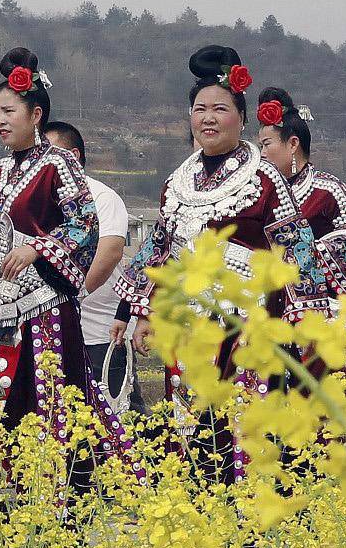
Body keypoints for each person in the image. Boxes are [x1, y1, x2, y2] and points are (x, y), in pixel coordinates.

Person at [112, 45, 314, 481]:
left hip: (249, 319)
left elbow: (296, 249)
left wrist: (305, 319)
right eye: (199, 108)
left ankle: (254, 512)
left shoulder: (264, 178)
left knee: (246, 415)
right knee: (191, 418)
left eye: (220, 108)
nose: (208, 118)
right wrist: (139, 310)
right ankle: (204, 508)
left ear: (241, 118)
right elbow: (159, 250)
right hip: (189, 321)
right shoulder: (176, 183)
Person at [0, 50, 129, 477]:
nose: (0, 121)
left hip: (45, 305)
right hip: (1, 305)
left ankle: (60, 499)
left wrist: (38, 249)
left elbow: (85, 224)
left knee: (50, 402)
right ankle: (1, 500)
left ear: (36, 115)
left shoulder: (59, 163)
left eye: (9, 111)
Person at [253, 85, 346, 374]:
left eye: (266, 145)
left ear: (293, 144)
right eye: (258, 146)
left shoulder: (329, 191)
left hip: (322, 313)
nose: (261, 154)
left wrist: (303, 257)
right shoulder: (256, 193)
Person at [46, 121, 137, 413]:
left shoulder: (101, 196)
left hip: (99, 331)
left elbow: (109, 253)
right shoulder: (41, 200)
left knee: (116, 413)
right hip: (52, 331)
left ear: (74, 156)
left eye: (51, 154)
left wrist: (73, 296)